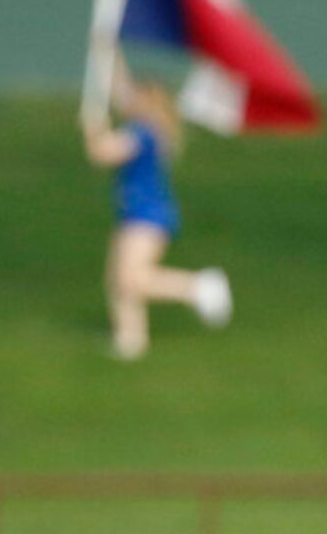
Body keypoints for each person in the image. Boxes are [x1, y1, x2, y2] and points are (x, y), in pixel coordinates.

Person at [80, 55, 232, 360]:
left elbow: (103, 154)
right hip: (135, 215)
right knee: (119, 281)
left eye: (137, 95)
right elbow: (118, 88)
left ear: (148, 102)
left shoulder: (143, 133)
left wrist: (92, 127)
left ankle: (199, 287)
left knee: (133, 279)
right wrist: (109, 52)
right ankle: (130, 341)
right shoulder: (148, 128)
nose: (128, 99)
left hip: (146, 217)